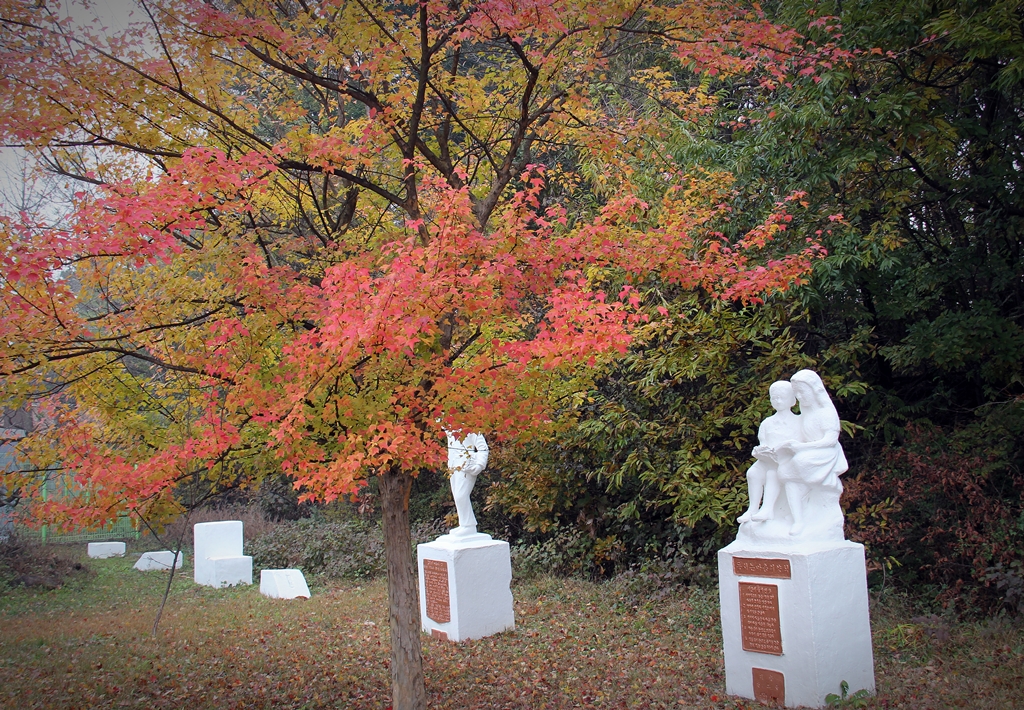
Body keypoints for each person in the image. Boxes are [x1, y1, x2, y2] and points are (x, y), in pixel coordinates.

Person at [769, 369, 848, 535]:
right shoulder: (804, 413)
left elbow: (830, 441)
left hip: (825, 453)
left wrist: (801, 447)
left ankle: (806, 505)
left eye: (802, 392)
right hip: (806, 452)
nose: (799, 396)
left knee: (798, 462)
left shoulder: (826, 412)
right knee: (786, 473)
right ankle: (798, 519)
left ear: (814, 390)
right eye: (796, 393)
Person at [737, 381, 800, 524]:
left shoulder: (798, 421)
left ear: (792, 400)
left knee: (773, 473)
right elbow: (763, 442)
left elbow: (799, 443)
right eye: (774, 398)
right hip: (768, 460)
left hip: (787, 461)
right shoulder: (767, 423)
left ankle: (767, 509)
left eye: (781, 397)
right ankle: (752, 509)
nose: (777, 401)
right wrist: (761, 450)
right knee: (752, 473)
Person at [446, 431, 489, 535]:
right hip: (453, 466)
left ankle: (469, 526)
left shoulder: (471, 428)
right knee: (457, 496)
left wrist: (479, 465)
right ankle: (464, 524)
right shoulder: (450, 428)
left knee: (461, 496)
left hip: (467, 467)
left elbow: (483, 448)